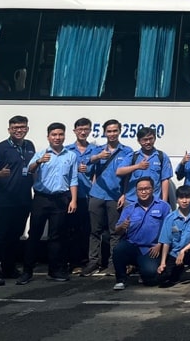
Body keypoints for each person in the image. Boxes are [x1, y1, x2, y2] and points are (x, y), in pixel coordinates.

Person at [18, 122, 78, 285]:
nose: (57, 138)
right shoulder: (41, 153)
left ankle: (54, 270)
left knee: (56, 236)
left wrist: (73, 200)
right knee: (34, 235)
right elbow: (28, 170)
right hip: (41, 198)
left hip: (61, 199)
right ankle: (27, 271)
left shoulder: (71, 156)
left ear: (64, 136)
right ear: (48, 137)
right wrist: (39, 162)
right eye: (54, 135)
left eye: (60, 134)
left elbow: (73, 179)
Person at [0, 114, 36, 285]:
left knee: (15, 236)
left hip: (23, 200)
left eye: (22, 127)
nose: (19, 130)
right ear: (9, 130)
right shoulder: (1, 149)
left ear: (27, 129)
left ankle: (8, 268)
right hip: (3, 200)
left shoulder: (29, 146)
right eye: (15, 128)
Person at [82, 119, 133, 277]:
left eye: (115, 131)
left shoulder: (127, 151)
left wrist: (124, 194)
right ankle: (94, 261)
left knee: (114, 232)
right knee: (94, 230)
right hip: (97, 194)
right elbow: (86, 169)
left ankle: (113, 262)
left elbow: (128, 177)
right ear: (104, 132)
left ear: (120, 131)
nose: (112, 134)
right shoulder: (96, 150)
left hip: (115, 196)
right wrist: (96, 158)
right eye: (109, 131)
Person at [112, 176, 170, 289]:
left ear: (153, 189)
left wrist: (159, 244)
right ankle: (121, 279)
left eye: (147, 188)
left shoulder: (163, 206)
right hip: (132, 245)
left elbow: (167, 230)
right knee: (118, 249)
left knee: (151, 277)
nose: (143, 192)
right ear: (136, 191)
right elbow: (117, 231)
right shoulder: (129, 208)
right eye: (140, 189)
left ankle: (142, 271)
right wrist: (122, 227)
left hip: (151, 248)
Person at [157, 185, 190, 288]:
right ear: (177, 200)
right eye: (181, 198)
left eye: (187, 197)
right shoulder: (170, 218)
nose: (184, 201)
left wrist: (183, 251)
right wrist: (162, 263)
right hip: (175, 253)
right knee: (163, 279)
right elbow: (166, 242)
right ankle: (181, 271)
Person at [64, 117, 95, 273]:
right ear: (75, 131)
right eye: (80, 129)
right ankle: (73, 262)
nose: (83, 132)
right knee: (72, 230)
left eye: (86, 129)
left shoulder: (95, 150)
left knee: (88, 230)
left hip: (90, 195)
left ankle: (86, 261)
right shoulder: (67, 150)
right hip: (73, 196)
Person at [116, 126, 171, 203]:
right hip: (132, 201)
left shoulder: (162, 156)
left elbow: (165, 180)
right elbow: (119, 171)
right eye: (145, 140)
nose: (148, 142)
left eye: (150, 139)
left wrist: (164, 201)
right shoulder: (133, 156)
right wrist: (137, 166)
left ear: (155, 139)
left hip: (154, 202)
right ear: (139, 141)